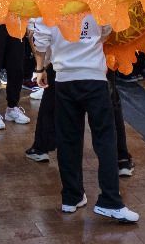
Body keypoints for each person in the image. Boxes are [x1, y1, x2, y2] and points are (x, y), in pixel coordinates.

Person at [30, 13, 138, 223]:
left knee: (68, 139)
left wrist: (40, 67)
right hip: (94, 77)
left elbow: (41, 38)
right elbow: (106, 29)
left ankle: (71, 197)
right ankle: (110, 200)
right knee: (105, 140)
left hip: (64, 79)